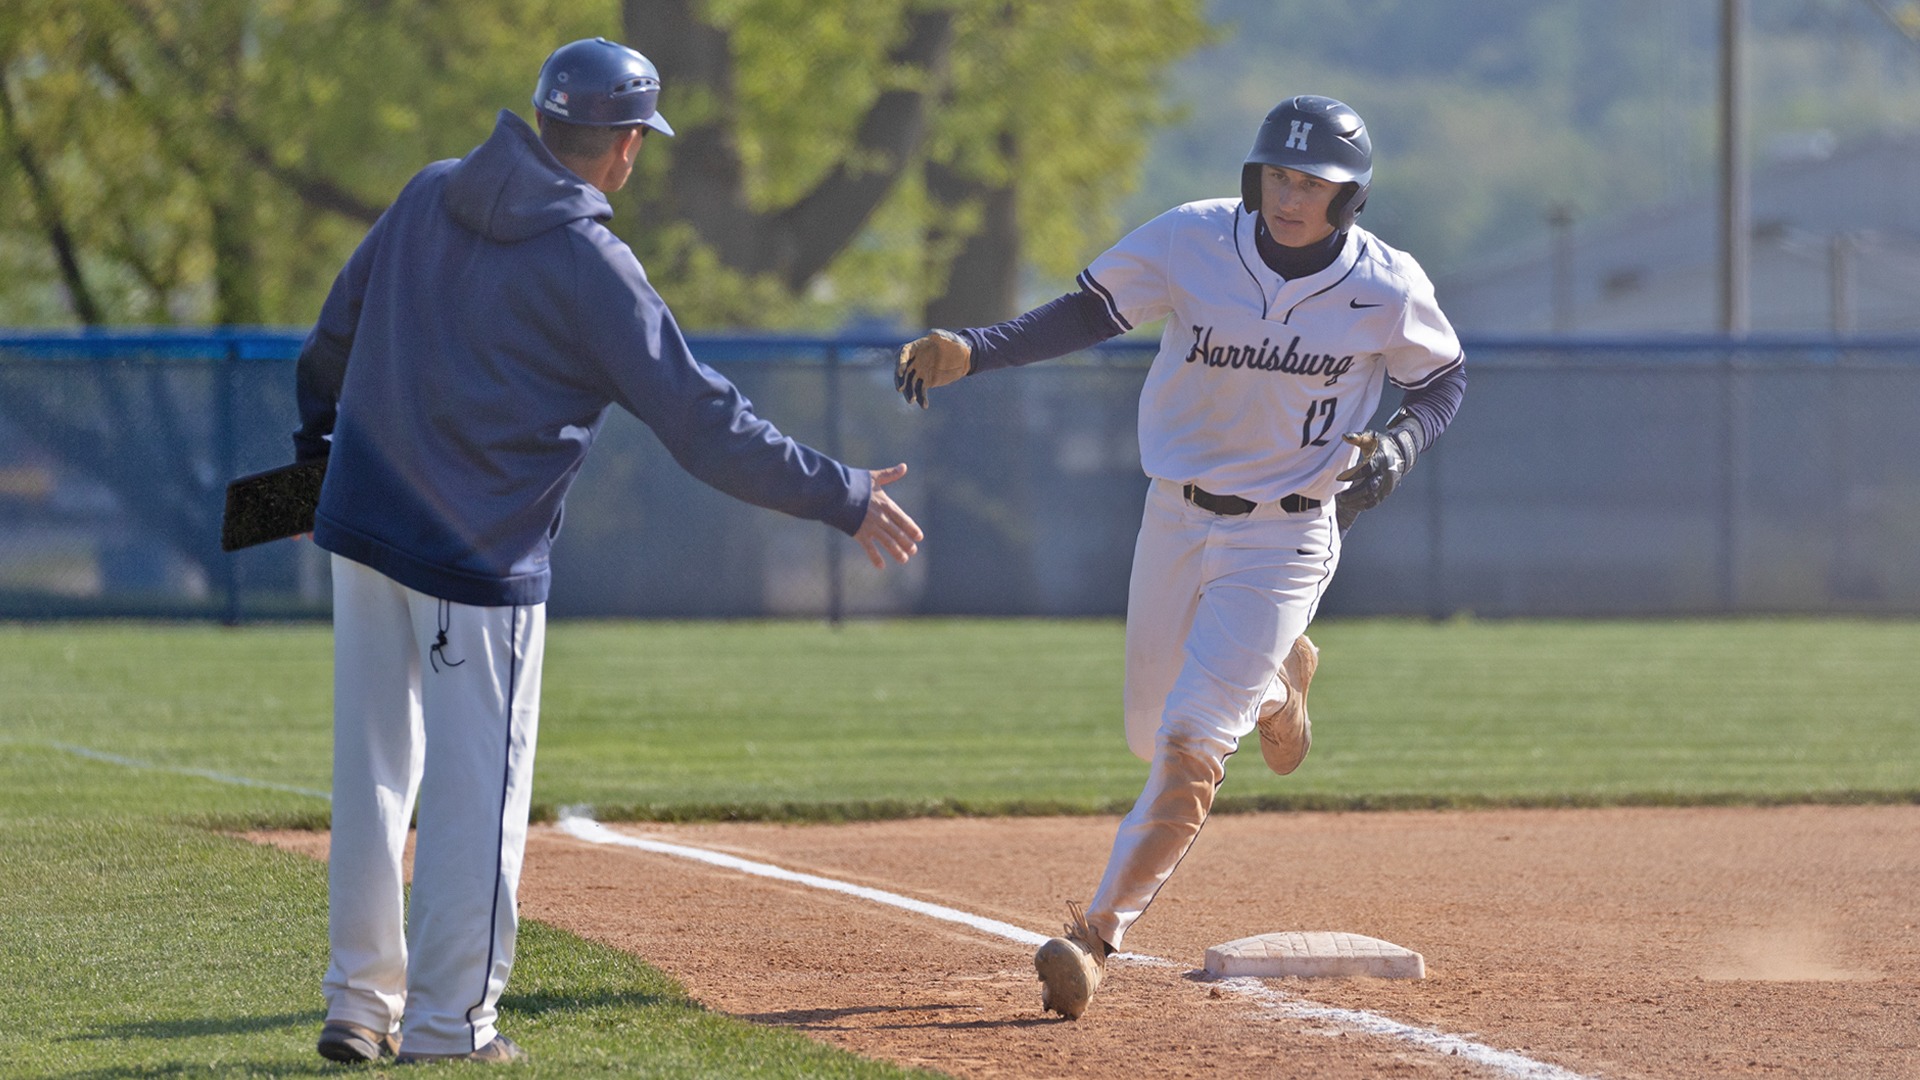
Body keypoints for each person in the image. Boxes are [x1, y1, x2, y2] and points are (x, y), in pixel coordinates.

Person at [298, 37, 924, 1064]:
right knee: (474, 793)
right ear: (627, 147)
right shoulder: (591, 262)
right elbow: (704, 424)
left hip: (362, 529)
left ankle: (357, 1004)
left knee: (370, 774)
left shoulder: (428, 192)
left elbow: (332, 337)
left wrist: (304, 454)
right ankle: (451, 1025)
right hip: (476, 563)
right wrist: (842, 495)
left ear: (545, 120)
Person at [894, 95, 1464, 1019]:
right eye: (1280, 175)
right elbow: (1089, 312)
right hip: (1176, 513)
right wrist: (978, 347)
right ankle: (1280, 690)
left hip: (1288, 530)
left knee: (1193, 739)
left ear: (1348, 198)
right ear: (1256, 176)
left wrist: (1399, 444)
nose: (1291, 196)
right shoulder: (1195, 240)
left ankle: (1095, 938)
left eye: (1315, 183)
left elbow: (1441, 381)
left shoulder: (1385, 285)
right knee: (1148, 728)